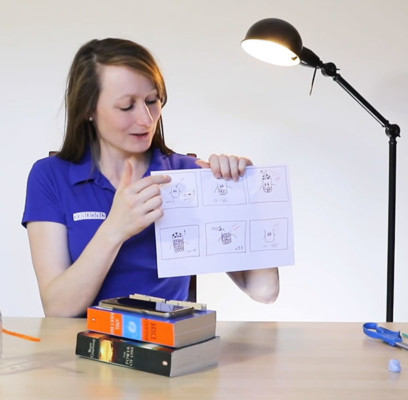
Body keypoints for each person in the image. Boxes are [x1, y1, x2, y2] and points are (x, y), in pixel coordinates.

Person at [22, 38, 279, 317]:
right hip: (83, 348)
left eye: (151, 101)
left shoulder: (186, 175)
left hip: (166, 348)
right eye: (126, 106)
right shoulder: (49, 176)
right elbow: (58, 309)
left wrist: (244, 197)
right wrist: (115, 229)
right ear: (88, 110)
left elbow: (264, 290)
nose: (146, 119)